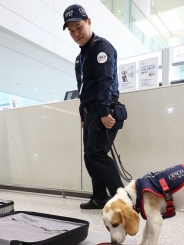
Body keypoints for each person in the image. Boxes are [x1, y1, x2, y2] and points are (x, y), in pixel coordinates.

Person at [63, 4, 124, 209]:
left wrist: (105, 111)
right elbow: (82, 90)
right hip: (90, 113)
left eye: (78, 27)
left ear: (88, 22)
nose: (76, 33)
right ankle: (99, 197)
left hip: (102, 109)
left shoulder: (101, 47)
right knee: (89, 155)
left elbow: (106, 80)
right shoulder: (80, 58)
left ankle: (123, 200)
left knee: (97, 153)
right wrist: (82, 115)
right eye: (71, 31)